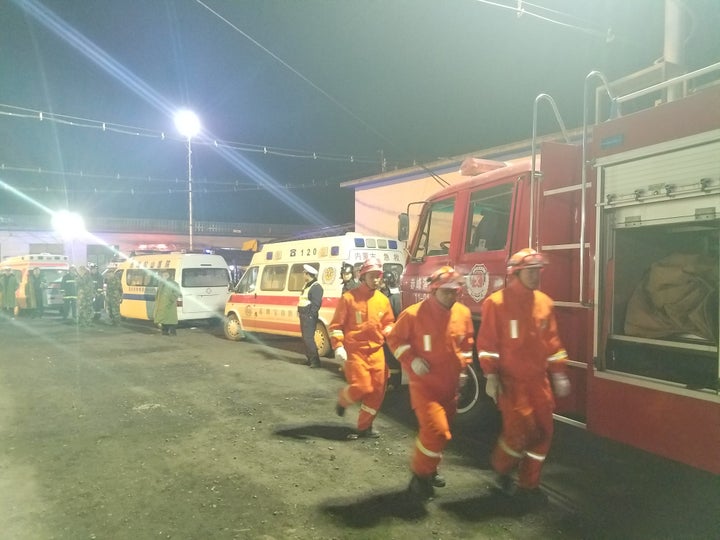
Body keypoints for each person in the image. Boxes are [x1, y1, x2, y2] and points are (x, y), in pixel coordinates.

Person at [475, 248, 571, 501]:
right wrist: (491, 376)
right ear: (516, 272)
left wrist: (559, 373)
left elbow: (552, 342)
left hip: (539, 383)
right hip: (511, 383)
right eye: (530, 271)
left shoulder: (545, 303)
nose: (536, 276)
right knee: (520, 433)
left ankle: (529, 484)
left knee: (544, 432)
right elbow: (487, 343)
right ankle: (502, 468)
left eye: (538, 271)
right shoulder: (496, 303)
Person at [385, 266, 475, 501]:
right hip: (425, 387)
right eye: (445, 291)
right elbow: (394, 339)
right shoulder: (414, 314)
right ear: (433, 290)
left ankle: (431, 468)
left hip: (451, 387)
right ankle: (420, 475)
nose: (451, 296)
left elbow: (466, 344)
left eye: (454, 291)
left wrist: (464, 368)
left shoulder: (463, 313)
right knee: (437, 431)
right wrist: (411, 359)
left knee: (438, 434)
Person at [330, 257, 395, 439]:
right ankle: (344, 398)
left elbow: (388, 323)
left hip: (377, 352)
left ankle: (364, 427)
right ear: (363, 276)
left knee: (378, 390)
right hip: (356, 351)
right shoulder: (349, 299)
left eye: (378, 276)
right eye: (372, 276)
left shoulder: (383, 300)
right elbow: (336, 326)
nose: (376, 280)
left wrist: (392, 333)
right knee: (362, 386)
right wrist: (338, 347)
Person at [297, 264, 323, 368]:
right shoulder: (307, 284)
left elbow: (316, 304)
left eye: (304, 273)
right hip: (304, 315)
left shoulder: (316, 287)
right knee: (305, 338)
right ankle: (309, 359)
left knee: (309, 339)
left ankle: (315, 361)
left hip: (309, 316)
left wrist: (311, 315)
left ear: (308, 274)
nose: (303, 275)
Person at [154, 270, 180, 335]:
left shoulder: (173, 283)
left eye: (165, 275)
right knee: (163, 319)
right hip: (162, 303)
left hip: (169, 304)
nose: (163, 277)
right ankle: (164, 331)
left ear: (168, 275)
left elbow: (176, 292)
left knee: (171, 319)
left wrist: (171, 299)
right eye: (163, 275)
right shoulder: (161, 283)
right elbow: (158, 293)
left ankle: (172, 332)